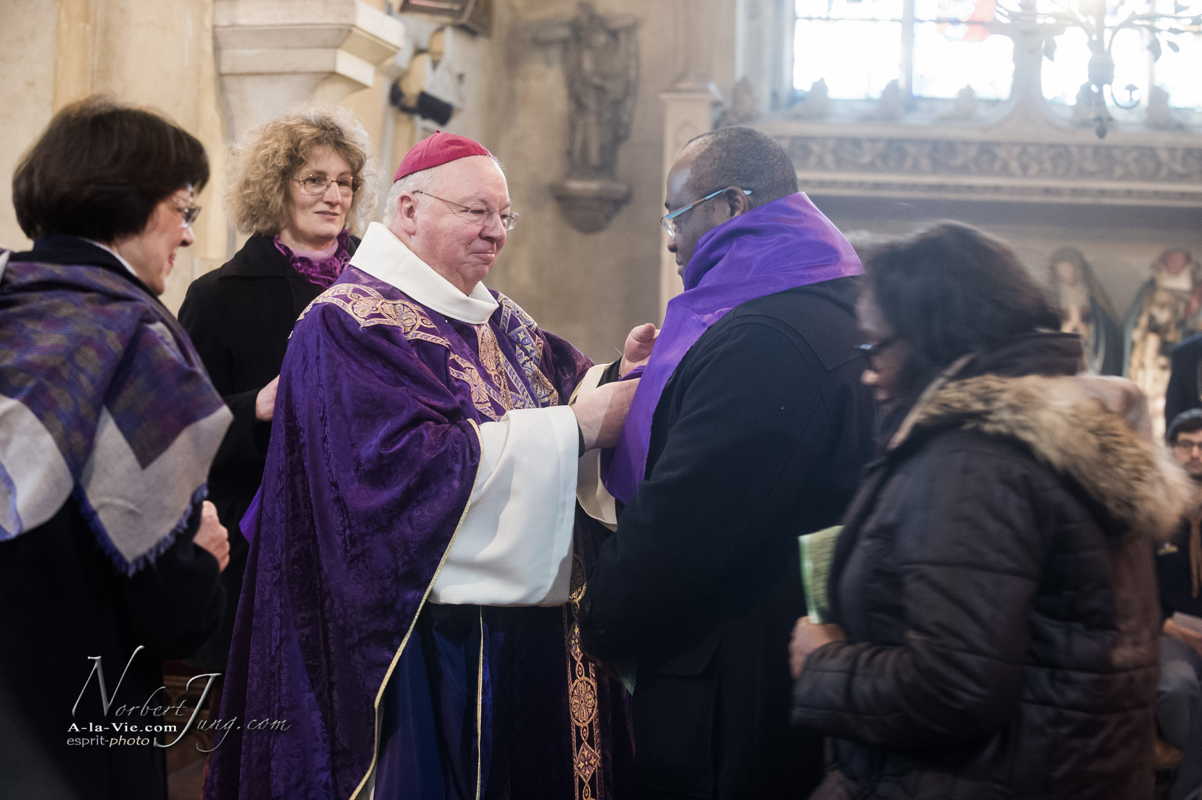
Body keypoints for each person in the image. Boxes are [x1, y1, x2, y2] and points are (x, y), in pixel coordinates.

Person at [206, 132, 642, 800]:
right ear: (409, 210)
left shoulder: (498, 317)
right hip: (422, 650)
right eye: (477, 212)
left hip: (521, 634)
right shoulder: (349, 324)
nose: (496, 231)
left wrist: (618, 376)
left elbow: (562, 387)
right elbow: (393, 478)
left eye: (505, 215)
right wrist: (577, 428)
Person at [789, 221, 1191, 799]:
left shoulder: (975, 461)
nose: (868, 371)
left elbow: (953, 687)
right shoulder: (1053, 434)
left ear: (932, 339)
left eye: (877, 347)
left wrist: (824, 663)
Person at [578, 126, 875, 799]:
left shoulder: (761, 339)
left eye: (677, 215)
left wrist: (600, 622)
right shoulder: (835, 305)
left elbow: (687, 527)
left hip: (730, 690)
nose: (671, 239)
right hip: (791, 664)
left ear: (734, 205)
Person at [0, 96, 230, 799]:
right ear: (130, 204)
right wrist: (203, 557)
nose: (187, 234)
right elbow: (170, 609)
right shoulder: (135, 341)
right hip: (76, 713)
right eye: (182, 209)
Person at [178, 108, 373, 672]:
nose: (334, 196)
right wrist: (254, 407)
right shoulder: (219, 295)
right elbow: (182, 429)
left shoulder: (386, 284)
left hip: (366, 532)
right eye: (315, 180)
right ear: (275, 186)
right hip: (260, 539)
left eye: (345, 182)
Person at [1158, 409, 1202, 800]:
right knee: (1176, 686)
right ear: (1171, 449)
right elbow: (1132, 586)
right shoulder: (1154, 510)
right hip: (1169, 629)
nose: (1195, 454)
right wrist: (1168, 625)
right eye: (1186, 445)